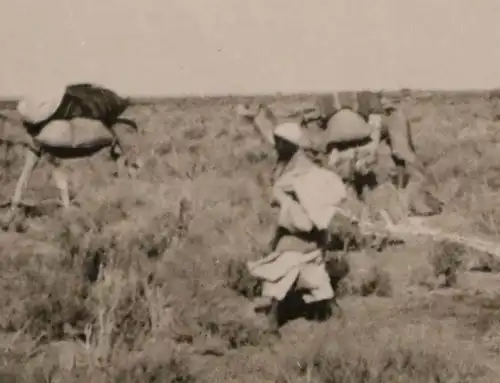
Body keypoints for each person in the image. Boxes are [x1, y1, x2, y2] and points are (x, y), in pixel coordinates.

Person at [246, 121, 354, 331]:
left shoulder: (303, 170)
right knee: (316, 282)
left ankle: (269, 325)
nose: (276, 147)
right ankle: (331, 316)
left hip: (301, 237)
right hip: (298, 237)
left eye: (280, 143)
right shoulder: (287, 164)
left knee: (277, 279)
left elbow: (310, 203)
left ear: (290, 145)